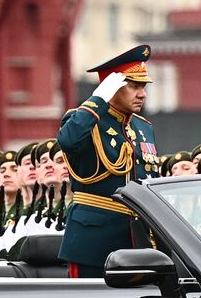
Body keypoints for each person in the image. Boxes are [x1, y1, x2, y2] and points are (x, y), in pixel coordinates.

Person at [57, 45, 158, 278]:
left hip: (138, 240)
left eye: (143, 86)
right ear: (111, 89)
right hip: (93, 243)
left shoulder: (144, 127)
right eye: (133, 86)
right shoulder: (85, 120)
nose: (142, 93)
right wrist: (98, 99)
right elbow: (68, 141)